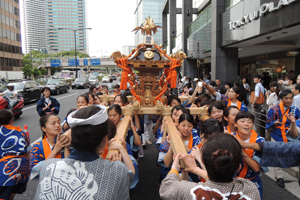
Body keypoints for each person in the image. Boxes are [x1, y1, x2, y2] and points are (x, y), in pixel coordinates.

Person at [34, 105, 134, 199]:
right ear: (105, 139)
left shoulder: (48, 166)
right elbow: (131, 175)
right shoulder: (117, 171)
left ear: (71, 136)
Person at [159, 134, 260, 200]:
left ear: (203, 161)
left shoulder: (189, 190)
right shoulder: (249, 189)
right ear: (239, 167)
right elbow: (219, 185)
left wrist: (175, 166)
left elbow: (166, 188)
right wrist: (196, 169)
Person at [266, 90, 300, 188]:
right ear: (281, 98)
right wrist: (274, 123)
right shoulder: (274, 109)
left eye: (291, 98)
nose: (289, 100)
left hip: (290, 135)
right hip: (277, 135)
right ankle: (279, 177)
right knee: (278, 156)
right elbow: (268, 122)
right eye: (286, 98)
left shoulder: (294, 109)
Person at [232, 111, 265, 198]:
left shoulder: (260, 141)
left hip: (252, 182)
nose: (246, 124)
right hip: (232, 181)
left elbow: (256, 168)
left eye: (250, 122)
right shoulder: (230, 139)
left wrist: (241, 151)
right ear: (235, 124)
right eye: (242, 121)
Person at [0, 109, 31, 200]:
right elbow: (28, 152)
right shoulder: (22, 132)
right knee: (11, 193)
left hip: (6, 168)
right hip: (22, 168)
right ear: (11, 120)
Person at [30, 114, 71, 179]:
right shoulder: (37, 146)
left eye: (58, 123)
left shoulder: (68, 141)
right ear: (44, 128)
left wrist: (66, 146)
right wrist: (55, 150)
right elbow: (35, 171)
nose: (57, 125)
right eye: (53, 123)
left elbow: (70, 166)